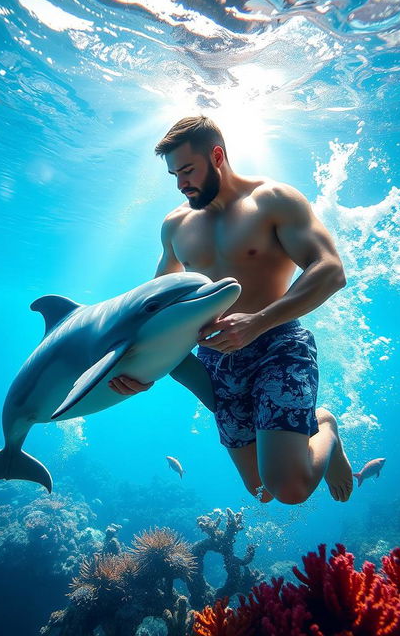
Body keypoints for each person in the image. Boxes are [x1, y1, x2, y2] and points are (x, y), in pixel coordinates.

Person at [109, 116, 353, 505]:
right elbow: (156, 310)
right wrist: (141, 371)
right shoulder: (175, 226)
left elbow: (330, 270)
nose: (180, 183)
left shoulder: (273, 200)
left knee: (288, 488)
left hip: (277, 345)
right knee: (261, 491)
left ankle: (325, 426)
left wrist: (257, 323)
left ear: (217, 155)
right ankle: (305, 431)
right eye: (174, 174)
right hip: (217, 362)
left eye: (187, 170)